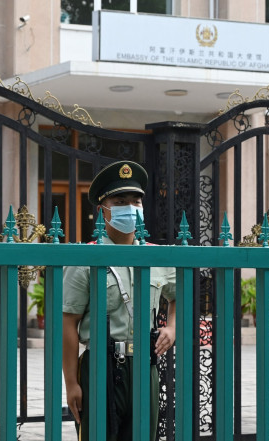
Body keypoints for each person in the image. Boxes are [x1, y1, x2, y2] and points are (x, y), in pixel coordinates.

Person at [62, 160, 177, 440]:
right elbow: (68, 323)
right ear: (103, 208)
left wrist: (172, 327)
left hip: (144, 365)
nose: (131, 207)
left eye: (136, 201)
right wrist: (72, 383)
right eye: (121, 200)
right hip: (100, 364)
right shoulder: (85, 259)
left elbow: (179, 296)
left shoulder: (156, 256)